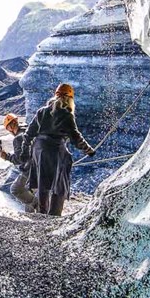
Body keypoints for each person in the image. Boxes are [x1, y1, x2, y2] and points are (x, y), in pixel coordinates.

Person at [22, 83, 95, 216]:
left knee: (42, 184)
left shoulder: (42, 111)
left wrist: (25, 152)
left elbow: (29, 134)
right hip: (55, 151)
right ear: (69, 99)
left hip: (38, 151)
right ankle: (54, 215)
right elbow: (75, 136)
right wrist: (88, 150)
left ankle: (41, 213)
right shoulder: (67, 114)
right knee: (59, 183)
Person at [0, 113, 35, 206]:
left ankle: (36, 203)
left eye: (8, 128)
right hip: (40, 162)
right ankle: (34, 207)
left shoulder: (18, 138)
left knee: (15, 189)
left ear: (11, 126)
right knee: (31, 189)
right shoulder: (28, 130)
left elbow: (20, 159)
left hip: (31, 168)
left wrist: (7, 156)